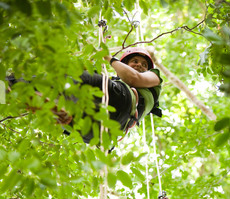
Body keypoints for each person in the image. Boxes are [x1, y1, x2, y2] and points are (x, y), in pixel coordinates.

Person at [6, 47, 163, 144]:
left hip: (122, 102)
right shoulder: (117, 79)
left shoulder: (154, 78)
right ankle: (53, 106)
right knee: (67, 104)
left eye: (144, 65)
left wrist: (109, 58)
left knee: (71, 77)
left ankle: (10, 84)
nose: (140, 66)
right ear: (125, 64)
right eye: (135, 61)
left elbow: (133, 78)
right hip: (99, 132)